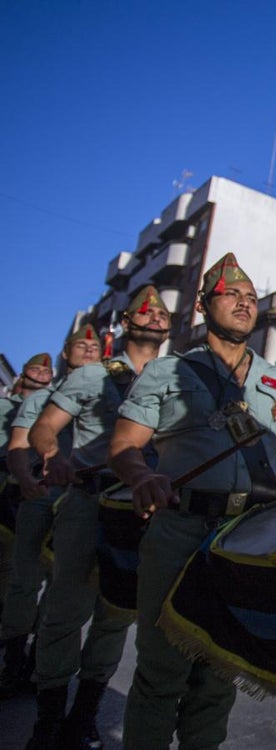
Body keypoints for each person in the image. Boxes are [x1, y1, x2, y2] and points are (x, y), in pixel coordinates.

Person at [107, 254, 276, 749]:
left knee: (220, 675)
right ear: (203, 306)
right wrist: (142, 478)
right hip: (181, 528)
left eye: (250, 297)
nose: (244, 303)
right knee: (162, 672)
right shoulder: (167, 372)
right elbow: (124, 447)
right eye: (231, 295)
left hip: (246, 538)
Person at [21, 286, 170, 748]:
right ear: (126, 323)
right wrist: (53, 456)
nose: (154, 317)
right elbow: (45, 428)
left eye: (162, 313)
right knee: (65, 612)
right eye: (144, 312)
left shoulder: (177, 377)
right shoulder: (90, 377)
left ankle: (82, 716)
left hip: (140, 509)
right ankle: (47, 719)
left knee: (114, 616)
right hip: (89, 500)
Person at [0, 328, 102, 699]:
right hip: (43, 494)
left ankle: (42, 660)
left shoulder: (108, 394)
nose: (89, 350)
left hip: (81, 498)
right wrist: (26, 480)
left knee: (63, 591)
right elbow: (17, 445)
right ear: (66, 353)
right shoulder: (44, 397)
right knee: (24, 580)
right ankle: (13, 660)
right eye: (81, 345)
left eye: (94, 346)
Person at [0, 354, 54, 620]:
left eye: (46, 372)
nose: (42, 374)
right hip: (6, 479)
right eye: (35, 370)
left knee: (17, 565)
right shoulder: (5, 406)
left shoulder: (54, 406)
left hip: (33, 486)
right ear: (22, 374)